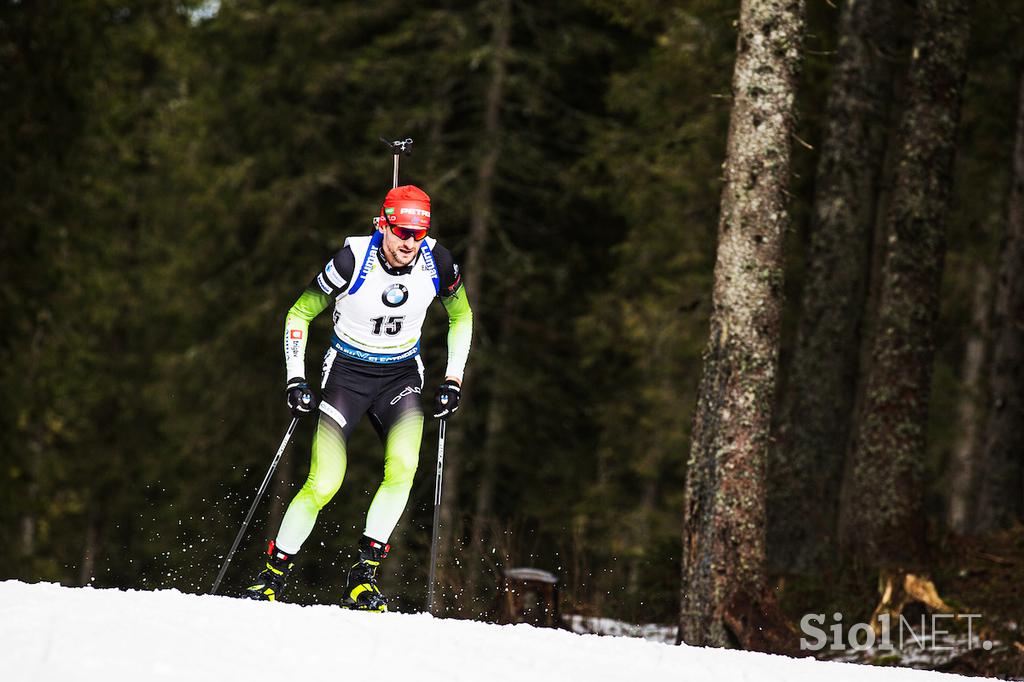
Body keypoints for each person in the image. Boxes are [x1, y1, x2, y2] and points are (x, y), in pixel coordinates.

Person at [245, 185, 472, 611]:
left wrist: (453, 379)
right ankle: (271, 577)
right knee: (324, 482)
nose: (409, 242)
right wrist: (296, 379)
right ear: (383, 224)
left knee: (403, 468)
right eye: (402, 230)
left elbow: (462, 315)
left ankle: (363, 576)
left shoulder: (437, 261)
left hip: (401, 374)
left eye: (418, 233)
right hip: (348, 374)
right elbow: (300, 312)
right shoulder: (352, 260)